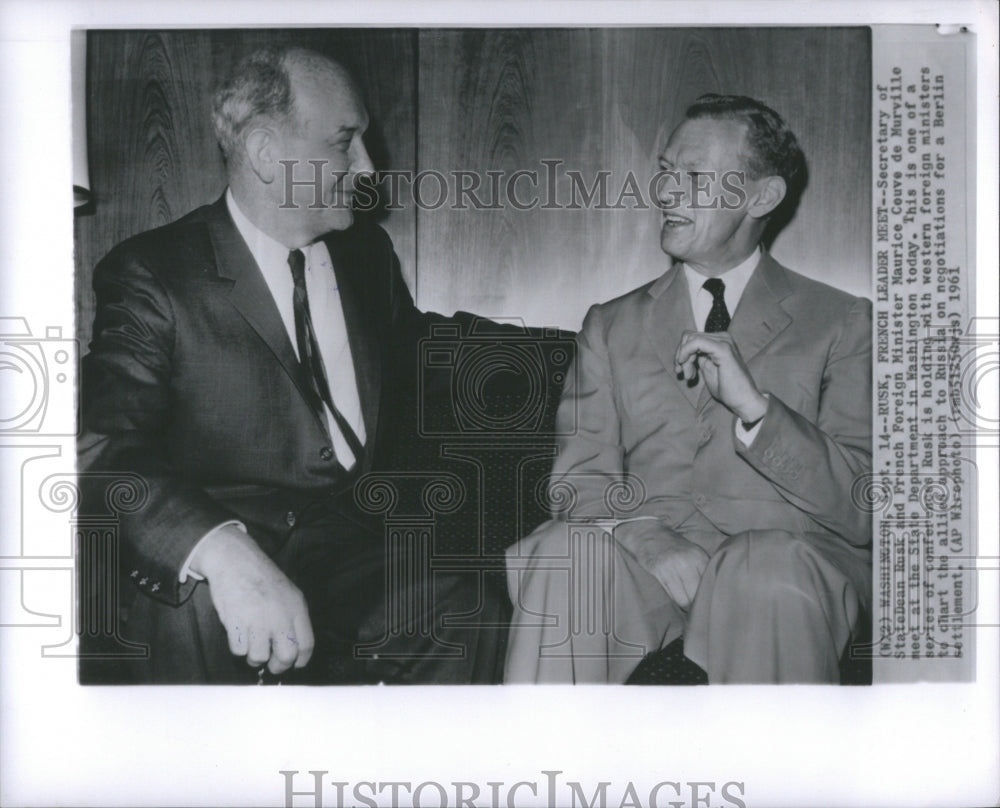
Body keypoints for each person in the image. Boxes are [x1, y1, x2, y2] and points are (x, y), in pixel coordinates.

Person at [78, 46, 506, 684]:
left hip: (358, 548)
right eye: (345, 142)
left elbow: (425, 348)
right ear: (265, 153)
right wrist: (217, 548)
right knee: (188, 599)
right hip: (235, 544)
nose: (366, 168)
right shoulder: (153, 273)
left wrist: (603, 338)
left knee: (469, 607)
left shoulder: (366, 254)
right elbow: (104, 446)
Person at [504, 94, 872, 684]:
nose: (667, 193)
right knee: (563, 555)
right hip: (644, 573)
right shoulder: (610, 324)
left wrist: (757, 412)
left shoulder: (843, 321)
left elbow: (865, 505)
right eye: (666, 173)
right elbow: (578, 483)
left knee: (759, 566)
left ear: (761, 196)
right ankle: (544, 772)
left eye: (694, 177)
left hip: (781, 575)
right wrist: (642, 531)